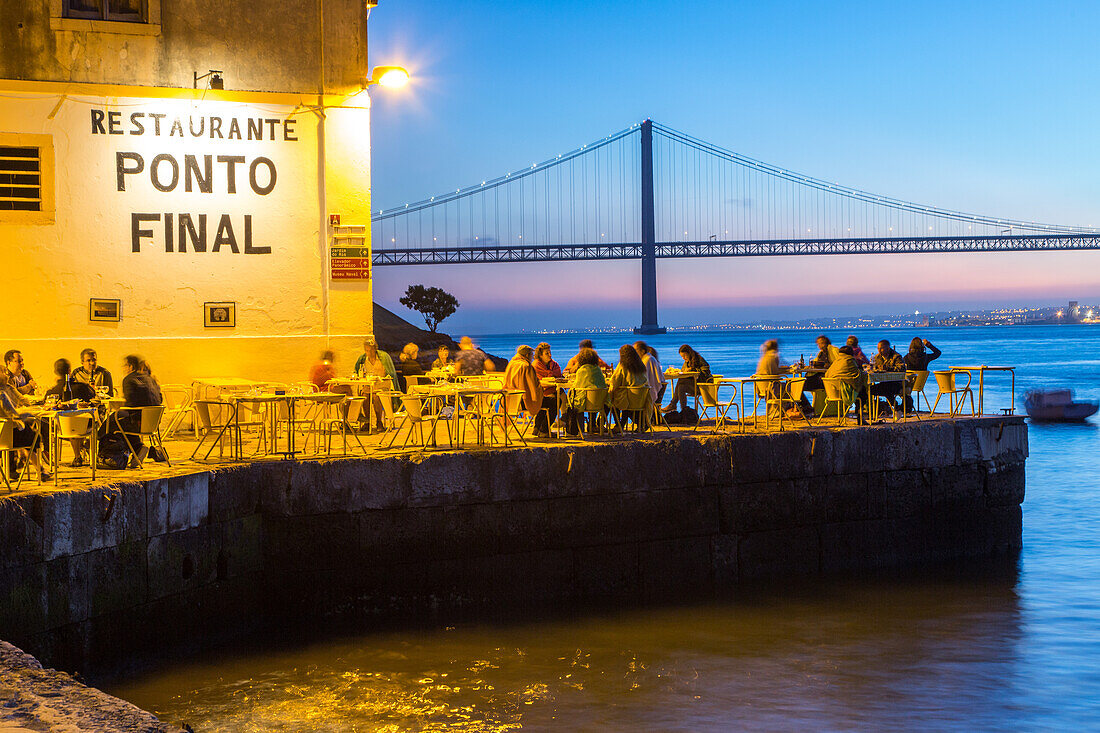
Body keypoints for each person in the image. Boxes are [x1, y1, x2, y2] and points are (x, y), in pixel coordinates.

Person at [102, 354, 162, 468]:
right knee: (119, 419)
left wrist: (120, 407)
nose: (124, 368)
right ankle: (137, 448)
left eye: (125, 365)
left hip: (138, 422)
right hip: (154, 422)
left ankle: (96, 442)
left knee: (114, 421)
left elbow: (131, 404)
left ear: (130, 366)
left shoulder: (129, 380)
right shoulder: (150, 379)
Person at [0, 371, 49, 481]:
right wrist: (28, 413)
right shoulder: (2, 394)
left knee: (25, 431)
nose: (7, 375)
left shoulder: (8, 388)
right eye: (4, 372)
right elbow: (13, 415)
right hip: (8, 436)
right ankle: (39, 470)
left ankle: (18, 466)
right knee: (33, 436)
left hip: (2, 435)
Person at [353, 337, 398, 431]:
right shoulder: (363, 359)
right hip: (369, 385)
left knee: (376, 396)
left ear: (374, 349)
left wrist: (383, 377)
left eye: (370, 350)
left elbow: (390, 373)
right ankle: (367, 421)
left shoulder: (383, 357)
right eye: (366, 350)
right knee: (364, 396)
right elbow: (357, 371)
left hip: (382, 385)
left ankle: (379, 422)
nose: (368, 352)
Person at [564, 348, 607, 435]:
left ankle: (576, 429)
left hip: (584, 404)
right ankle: (593, 425)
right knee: (593, 396)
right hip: (599, 403)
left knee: (575, 400)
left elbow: (576, 387)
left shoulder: (582, 370)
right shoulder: (598, 370)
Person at [502, 346, 542, 435]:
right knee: (552, 401)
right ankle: (543, 430)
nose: (533, 357)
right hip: (523, 402)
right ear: (527, 355)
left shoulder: (511, 364)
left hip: (509, 401)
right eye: (532, 355)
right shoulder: (526, 366)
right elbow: (532, 387)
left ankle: (539, 430)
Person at [824, 345, 867, 424]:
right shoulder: (850, 361)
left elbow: (827, 374)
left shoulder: (836, 362)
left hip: (833, 392)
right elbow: (856, 376)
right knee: (863, 392)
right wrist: (862, 372)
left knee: (860, 390)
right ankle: (860, 417)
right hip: (844, 392)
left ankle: (859, 416)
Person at [663, 344, 712, 413]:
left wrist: (693, 371)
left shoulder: (699, 359)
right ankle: (683, 410)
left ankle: (674, 404)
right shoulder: (687, 362)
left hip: (702, 386)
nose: (683, 358)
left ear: (689, 353)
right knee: (681, 386)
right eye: (682, 356)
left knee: (681, 382)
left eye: (685, 355)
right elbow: (683, 372)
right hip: (694, 385)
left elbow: (705, 372)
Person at [609, 344, 649, 428]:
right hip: (640, 399)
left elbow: (615, 381)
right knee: (625, 402)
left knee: (612, 402)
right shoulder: (641, 365)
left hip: (628, 398)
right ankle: (623, 425)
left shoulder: (623, 365)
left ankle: (618, 425)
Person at [532, 342, 563, 438]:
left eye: (550, 352)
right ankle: (544, 429)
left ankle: (538, 428)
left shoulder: (553, 364)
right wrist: (551, 374)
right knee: (555, 400)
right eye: (547, 353)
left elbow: (558, 373)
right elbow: (539, 381)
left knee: (560, 395)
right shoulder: (536, 365)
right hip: (538, 393)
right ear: (540, 355)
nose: (550, 355)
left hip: (550, 389)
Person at [904, 338, 942, 412]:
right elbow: (938, 353)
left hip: (909, 385)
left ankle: (906, 407)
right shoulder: (926, 357)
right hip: (920, 384)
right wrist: (929, 345)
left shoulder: (906, 358)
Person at [870, 339, 906, 412]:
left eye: (881, 348)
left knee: (885, 389)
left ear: (888, 348)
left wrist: (887, 368)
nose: (879, 351)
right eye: (878, 348)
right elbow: (873, 368)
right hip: (883, 382)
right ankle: (869, 411)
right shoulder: (877, 357)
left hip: (896, 383)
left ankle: (895, 406)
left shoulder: (896, 356)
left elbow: (902, 368)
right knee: (868, 389)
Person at [634, 341, 666, 406]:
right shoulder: (649, 358)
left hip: (650, 392)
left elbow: (643, 378)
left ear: (642, 351)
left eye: (636, 350)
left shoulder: (647, 360)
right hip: (655, 391)